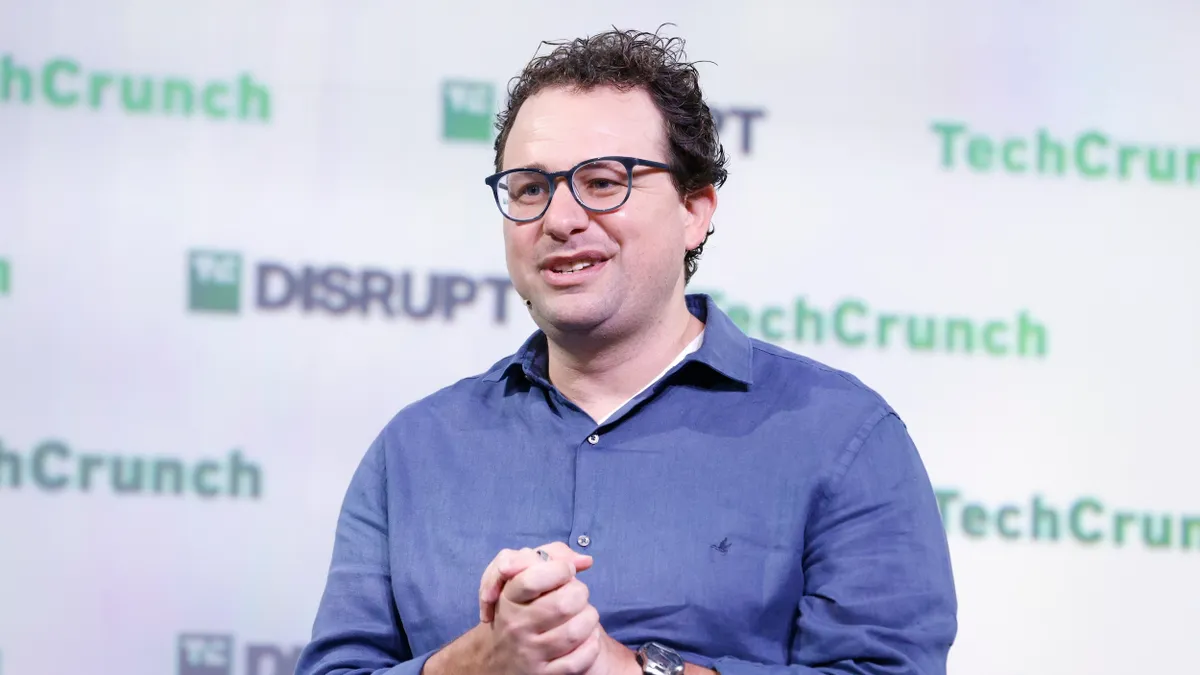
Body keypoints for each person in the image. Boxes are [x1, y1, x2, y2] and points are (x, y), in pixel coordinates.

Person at [295, 27, 957, 675]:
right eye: (530, 187)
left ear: (695, 210)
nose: (559, 219)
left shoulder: (842, 436)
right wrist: (474, 665)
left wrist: (630, 669)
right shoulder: (414, 450)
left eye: (605, 181)